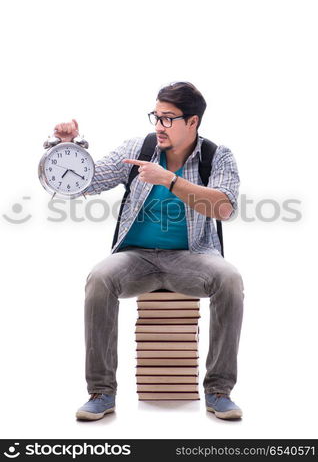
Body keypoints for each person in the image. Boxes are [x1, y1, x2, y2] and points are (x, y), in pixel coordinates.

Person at [53, 81, 244, 421]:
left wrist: (168, 180)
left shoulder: (218, 156)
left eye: (168, 118)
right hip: (136, 257)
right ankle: (101, 392)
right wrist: (68, 148)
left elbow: (224, 208)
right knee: (99, 278)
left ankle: (218, 391)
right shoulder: (140, 149)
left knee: (229, 280)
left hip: (191, 257)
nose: (158, 125)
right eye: (156, 116)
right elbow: (88, 181)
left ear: (193, 122)